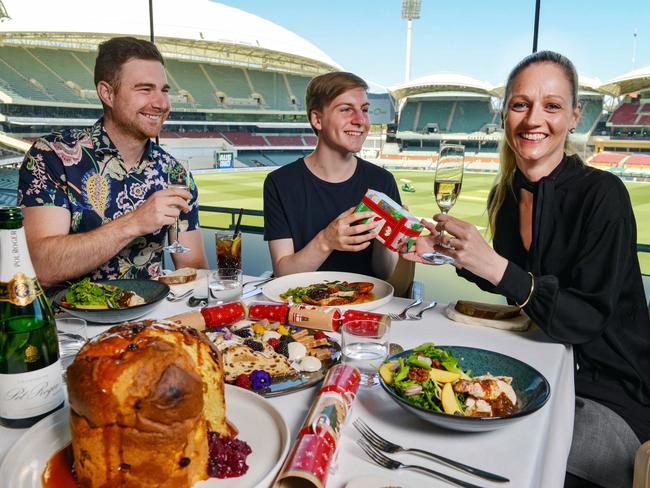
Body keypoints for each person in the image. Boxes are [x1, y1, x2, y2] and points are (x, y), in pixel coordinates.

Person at [404, 51, 650, 488]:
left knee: (502, 463)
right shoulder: (507, 191)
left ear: (574, 116)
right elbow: (516, 279)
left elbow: (585, 318)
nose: (534, 118)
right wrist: (450, 253)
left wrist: (496, 267)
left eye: (552, 106)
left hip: (606, 391)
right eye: (521, 104)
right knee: (436, 435)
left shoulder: (604, 195)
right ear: (504, 116)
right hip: (537, 363)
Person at [17, 37, 207, 287]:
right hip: (72, 322)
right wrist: (136, 222)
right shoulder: (52, 155)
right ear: (107, 93)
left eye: (164, 90)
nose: (161, 103)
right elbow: (41, 266)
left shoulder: (174, 172)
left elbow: (191, 265)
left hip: (152, 323)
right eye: (145, 89)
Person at [263, 71, 400, 278]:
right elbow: (283, 273)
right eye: (346, 109)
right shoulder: (280, 183)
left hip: (365, 302)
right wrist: (327, 240)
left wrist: (384, 237)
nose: (361, 120)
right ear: (317, 119)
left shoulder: (382, 181)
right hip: (303, 304)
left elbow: (384, 273)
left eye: (364, 110)